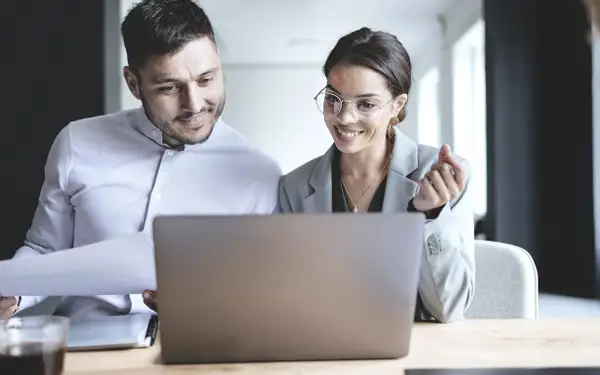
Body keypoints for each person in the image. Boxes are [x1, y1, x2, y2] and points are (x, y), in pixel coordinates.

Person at [0, 0, 280, 321]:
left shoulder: (259, 174)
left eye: (206, 80)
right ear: (134, 84)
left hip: (193, 356)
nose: (195, 104)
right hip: (84, 353)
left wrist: (204, 304)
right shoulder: (77, 143)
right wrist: (13, 292)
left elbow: (261, 291)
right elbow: (44, 251)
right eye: (169, 87)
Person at [277, 27, 475, 323]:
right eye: (333, 99)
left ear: (397, 106)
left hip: (414, 354)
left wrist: (430, 215)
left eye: (366, 104)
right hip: (322, 350)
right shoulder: (292, 189)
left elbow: (449, 310)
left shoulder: (441, 175)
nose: (343, 117)